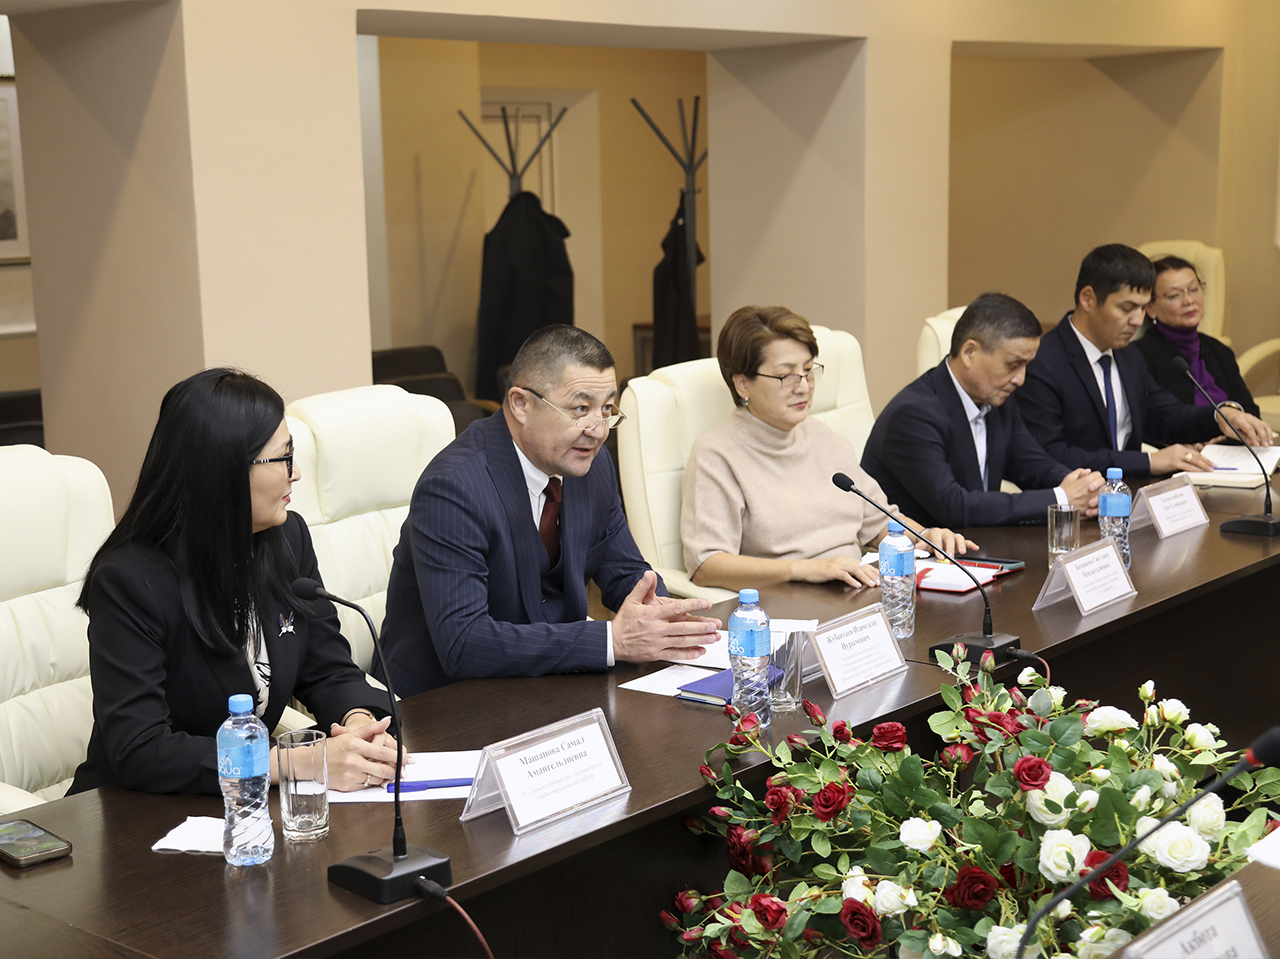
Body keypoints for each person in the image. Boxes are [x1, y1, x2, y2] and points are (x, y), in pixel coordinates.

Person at [69, 369, 402, 797]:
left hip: (246, 808)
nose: (296, 472)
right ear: (224, 470)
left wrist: (359, 726)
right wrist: (298, 761)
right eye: (283, 458)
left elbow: (328, 670)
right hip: (138, 813)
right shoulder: (130, 581)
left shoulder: (287, 539)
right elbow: (141, 749)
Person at [376, 325, 721, 697]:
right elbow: (464, 643)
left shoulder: (592, 465)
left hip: (550, 683)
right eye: (580, 409)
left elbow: (625, 571)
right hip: (442, 701)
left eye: (606, 409)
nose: (598, 430)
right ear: (521, 405)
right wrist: (612, 640)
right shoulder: (453, 488)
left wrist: (655, 614)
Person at [681, 306, 976, 593]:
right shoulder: (717, 454)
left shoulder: (826, 438)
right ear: (743, 384)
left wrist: (925, 536)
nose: (803, 387)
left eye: (808, 371)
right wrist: (805, 569)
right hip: (786, 603)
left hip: (858, 590)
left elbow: (879, 523)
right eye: (786, 375)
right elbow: (706, 564)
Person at [1019, 244, 1272, 476]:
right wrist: (1148, 461)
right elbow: (1049, 454)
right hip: (1072, 500)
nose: (1138, 320)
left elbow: (1165, 414)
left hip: (1130, 493)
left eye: (1142, 308)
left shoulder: (1128, 355)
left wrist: (1220, 416)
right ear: (1088, 299)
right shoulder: (1043, 362)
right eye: (1127, 308)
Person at [861, 293, 1103, 528]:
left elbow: (1033, 465)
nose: (1020, 379)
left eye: (1026, 366)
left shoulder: (998, 401)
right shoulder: (913, 415)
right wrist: (1061, 498)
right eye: (1013, 365)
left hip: (980, 544)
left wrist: (1085, 488)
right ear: (969, 353)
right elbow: (954, 507)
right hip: (919, 551)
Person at [1135, 254, 1261, 427]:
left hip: (1232, 442)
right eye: (1174, 295)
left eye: (1194, 289)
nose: (1189, 301)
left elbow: (1250, 411)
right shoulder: (1139, 356)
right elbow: (1154, 423)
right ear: (1150, 309)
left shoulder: (1219, 350)